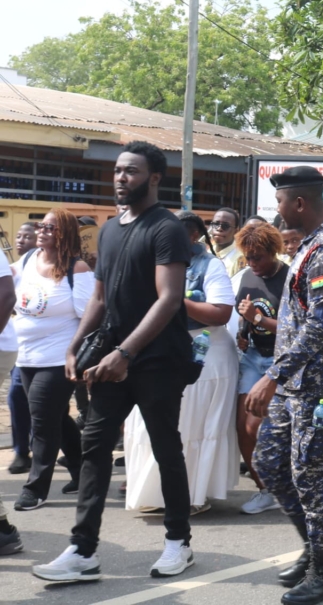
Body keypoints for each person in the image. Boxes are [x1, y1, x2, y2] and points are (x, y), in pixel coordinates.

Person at [34, 141, 197, 582]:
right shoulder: (108, 230)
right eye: (118, 171)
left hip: (158, 359)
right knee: (94, 449)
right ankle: (82, 550)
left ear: (155, 178)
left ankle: (178, 542)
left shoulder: (167, 229)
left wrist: (127, 353)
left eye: (132, 171)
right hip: (110, 359)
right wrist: (75, 344)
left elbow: (170, 299)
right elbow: (101, 298)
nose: (121, 178)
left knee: (166, 448)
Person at [246, 166, 323, 604]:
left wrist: (273, 375)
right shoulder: (310, 246)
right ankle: (316, 545)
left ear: (299, 203)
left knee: (308, 474)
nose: (276, 210)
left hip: (318, 385)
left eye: (279, 202)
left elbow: (321, 326)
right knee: (270, 463)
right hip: (295, 382)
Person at [124, 212, 238, 516]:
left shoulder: (209, 265)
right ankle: (158, 495)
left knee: (191, 428)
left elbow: (221, 313)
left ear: (191, 237)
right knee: (152, 427)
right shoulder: (153, 263)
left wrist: (171, 298)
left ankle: (192, 496)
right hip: (156, 352)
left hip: (203, 355)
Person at [11, 209, 93, 510]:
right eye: (40, 226)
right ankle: (82, 471)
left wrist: (77, 354)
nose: (42, 231)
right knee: (55, 416)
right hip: (25, 356)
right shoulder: (27, 260)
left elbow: (91, 316)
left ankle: (36, 488)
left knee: (42, 421)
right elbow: (7, 286)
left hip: (59, 358)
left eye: (50, 227)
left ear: (66, 234)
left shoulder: (78, 269)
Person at [233, 221, 289, 515]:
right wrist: (244, 332)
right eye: (248, 257)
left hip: (280, 361)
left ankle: (283, 483)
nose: (253, 263)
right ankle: (265, 489)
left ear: (273, 251)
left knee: (256, 425)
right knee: (242, 427)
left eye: (258, 257)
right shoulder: (247, 278)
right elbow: (244, 312)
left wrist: (257, 320)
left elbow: (298, 331)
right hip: (253, 356)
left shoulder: (290, 279)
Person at [4, 223, 33, 474]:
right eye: (19, 236)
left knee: (46, 405)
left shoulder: (48, 265)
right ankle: (21, 452)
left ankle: (71, 451)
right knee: (16, 395)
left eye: (28, 236)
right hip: (22, 344)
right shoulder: (16, 266)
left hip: (48, 348)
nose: (21, 240)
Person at [209, 207, 246, 277]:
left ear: (236, 231)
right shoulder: (207, 253)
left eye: (225, 226)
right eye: (216, 224)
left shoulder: (240, 258)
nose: (219, 228)